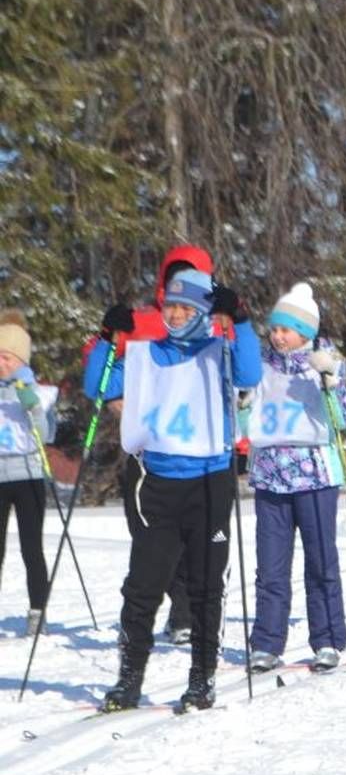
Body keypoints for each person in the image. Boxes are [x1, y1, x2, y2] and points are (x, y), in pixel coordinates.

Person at [90, 268, 263, 712]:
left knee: (207, 586)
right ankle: (129, 679)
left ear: (204, 312)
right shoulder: (146, 356)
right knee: (143, 587)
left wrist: (239, 320)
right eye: (171, 307)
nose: (178, 315)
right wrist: (108, 337)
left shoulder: (219, 353)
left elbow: (248, 373)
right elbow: (99, 385)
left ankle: (201, 678)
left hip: (210, 482)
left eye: (188, 307)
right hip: (158, 485)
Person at [95, 244, 216, 646]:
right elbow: (101, 379)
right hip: (149, 451)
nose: (177, 303)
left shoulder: (213, 326)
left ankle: (186, 612)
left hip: (199, 459)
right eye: (172, 276)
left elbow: (241, 377)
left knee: (192, 542)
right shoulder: (143, 321)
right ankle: (152, 614)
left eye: (189, 275)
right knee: (147, 536)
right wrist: (107, 335)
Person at [243, 282, 346, 672]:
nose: (277, 336)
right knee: (270, 566)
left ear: (305, 332)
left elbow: (344, 419)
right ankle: (267, 643)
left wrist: (332, 382)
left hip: (315, 477)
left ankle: (328, 638)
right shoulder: (260, 366)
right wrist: (240, 400)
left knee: (321, 561)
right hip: (271, 476)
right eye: (274, 329)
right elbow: (245, 421)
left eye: (285, 330)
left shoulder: (327, 361)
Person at [0, 310, 59, 640]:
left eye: (6, 357)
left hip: (28, 476)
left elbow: (45, 433)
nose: (1, 363)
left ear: (20, 359)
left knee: (30, 547)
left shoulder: (36, 390)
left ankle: (38, 611)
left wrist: (32, 405)